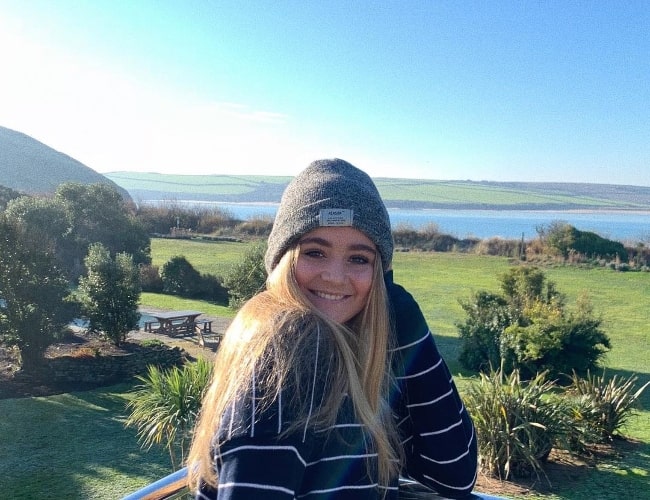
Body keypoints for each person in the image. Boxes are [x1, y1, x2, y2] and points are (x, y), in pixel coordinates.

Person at [187, 159, 477, 499]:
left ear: (379, 276)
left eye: (359, 259)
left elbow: (452, 474)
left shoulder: (353, 351)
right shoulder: (290, 352)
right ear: (282, 261)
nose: (335, 276)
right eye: (314, 252)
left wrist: (404, 324)